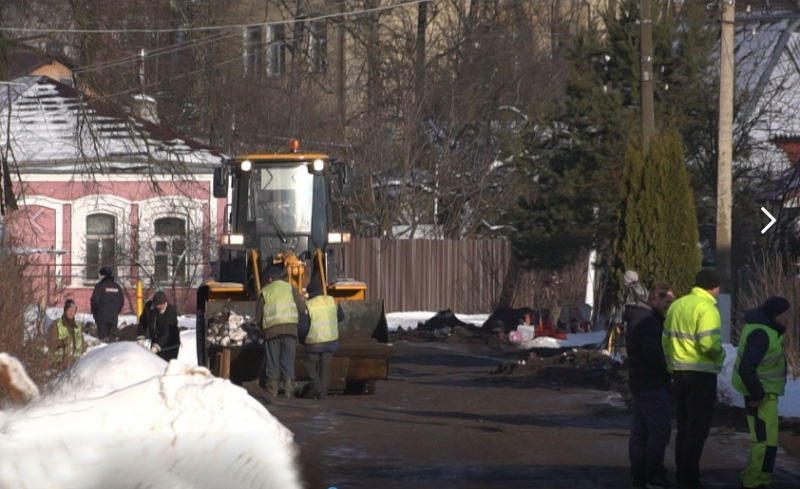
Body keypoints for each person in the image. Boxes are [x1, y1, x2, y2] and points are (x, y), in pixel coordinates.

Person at [662, 269, 725, 489]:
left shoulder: (677, 305)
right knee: (698, 428)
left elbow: (666, 341)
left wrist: (672, 365)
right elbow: (709, 344)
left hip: (679, 373)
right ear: (713, 287)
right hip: (701, 374)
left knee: (684, 425)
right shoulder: (707, 308)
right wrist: (721, 354)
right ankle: (690, 477)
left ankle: (683, 473)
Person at [732, 296, 790, 489]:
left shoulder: (764, 329)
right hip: (762, 395)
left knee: (763, 440)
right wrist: (758, 396)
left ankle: (753, 478)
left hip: (761, 393)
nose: (789, 317)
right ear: (775, 315)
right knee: (766, 443)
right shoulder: (763, 333)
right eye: (786, 313)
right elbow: (747, 368)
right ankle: (755, 482)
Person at [626, 282, 675, 489]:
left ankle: (640, 474)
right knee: (659, 429)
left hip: (640, 382)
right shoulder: (649, 322)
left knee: (642, 430)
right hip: (652, 382)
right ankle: (653, 473)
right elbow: (653, 354)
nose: (669, 306)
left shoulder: (639, 318)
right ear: (655, 296)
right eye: (667, 301)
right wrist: (668, 372)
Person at [255, 264, 309, 401]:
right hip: (290, 331)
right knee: (288, 361)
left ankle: (272, 391)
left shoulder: (265, 291)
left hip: (272, 332)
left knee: (272, 361)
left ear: (269, 279)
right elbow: (302, 308)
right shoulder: (291, 288)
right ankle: (289, 392)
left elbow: (257, 317)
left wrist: (261, 328)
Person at [299, 280, 343, 399]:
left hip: (314, 342)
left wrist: (302, 340)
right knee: (325, 365)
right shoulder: (332, 301)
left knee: (309, 364)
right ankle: (322, 393)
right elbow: (341, 317)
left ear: (310, 293)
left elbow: (303, 326)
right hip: (331, 340)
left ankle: (316, 385)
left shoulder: (308, 305)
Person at [137, 290, 181, 362]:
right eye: (158, 304)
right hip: (155, 342)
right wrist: (141, 337)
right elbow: (143, 322)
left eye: (162, 304)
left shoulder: (171, 311)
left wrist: (155, 347)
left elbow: (167, 332)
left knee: (166, 366)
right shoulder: (149, 308)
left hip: (170, 346)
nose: (160, 306)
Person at [90, 266, 125, 341]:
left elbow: (94, 302)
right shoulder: (117, 287)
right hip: (113, 319)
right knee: (112, 341)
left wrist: (96, 315)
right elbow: (121, 302)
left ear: (103, 275)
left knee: (103, 342)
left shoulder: (99, 286)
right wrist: (115, 311)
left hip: (101, 319)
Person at [48, 299, 86, 367]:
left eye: (73, 311)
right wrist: (63, 342)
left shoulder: (78, 326)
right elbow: (51, 344)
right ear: (65, 310)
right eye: (69, 310)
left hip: (75, 364)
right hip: (59, 364)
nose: (71, 313)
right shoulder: (56, 324)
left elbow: (82, 344)